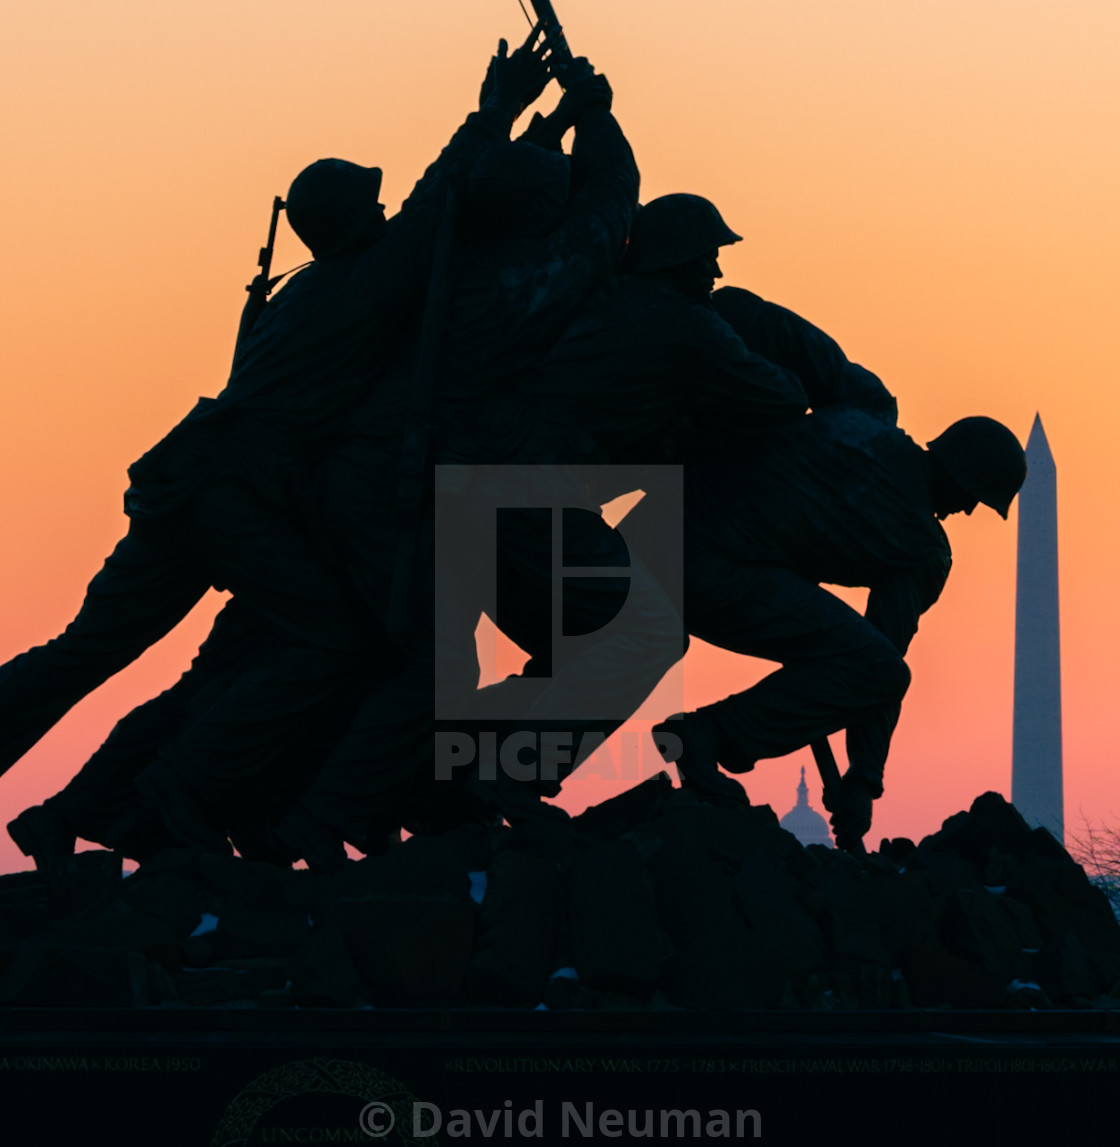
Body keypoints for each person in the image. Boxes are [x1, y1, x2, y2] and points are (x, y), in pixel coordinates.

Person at [1, 31, 556, 861]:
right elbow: (437, 206)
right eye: (368, 207)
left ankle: (71, 810)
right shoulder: (359, 284)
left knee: (87, 652)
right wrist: (496, 112)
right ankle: (171, 795)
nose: (381, 213)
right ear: (349, 225)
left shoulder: (303, 292)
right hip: (237, 494)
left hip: (184, 483)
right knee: (328, 640)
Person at [641, 287, 1026, 850]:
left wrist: (692, 299)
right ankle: (705, 736)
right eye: (974, 499)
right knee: (874, 668)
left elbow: (751, 313)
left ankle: (703, 738)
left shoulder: (862, 406)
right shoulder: (919, 549)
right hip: (712, 570)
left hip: (660, 524)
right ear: (964, 482)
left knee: (851, 654)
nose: (966, 510)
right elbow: (881, 668)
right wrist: (864, 779)